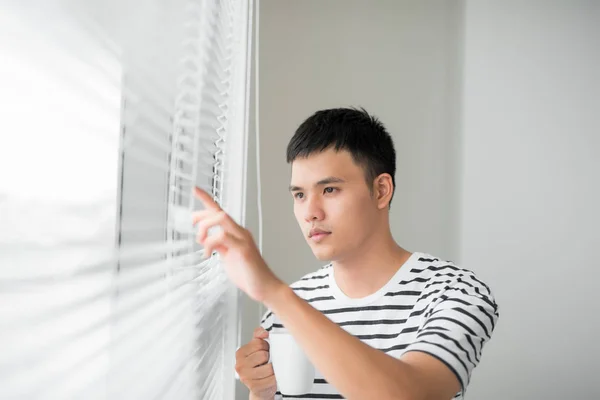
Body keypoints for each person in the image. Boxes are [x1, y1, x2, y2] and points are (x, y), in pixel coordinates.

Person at [193, 108, 499, 400]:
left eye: (329, 190)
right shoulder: (286, 310)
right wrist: (261, 393)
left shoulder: (454, 292)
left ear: (381, 190)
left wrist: (274, 292)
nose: (310, 213)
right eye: (299, 195)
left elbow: (410, 395)